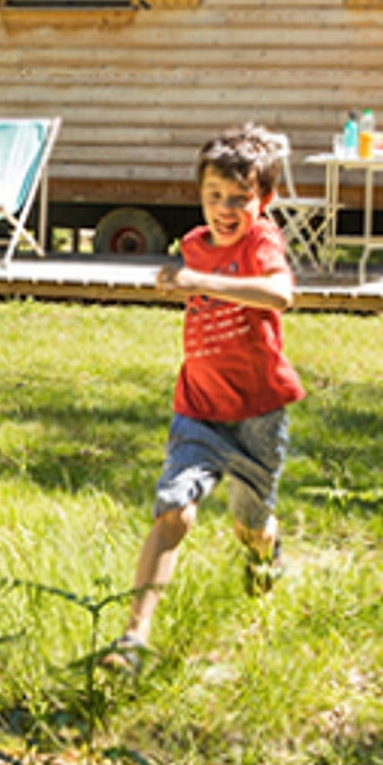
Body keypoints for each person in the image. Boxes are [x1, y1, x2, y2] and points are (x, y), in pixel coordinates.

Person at [104, 123, 304, 675]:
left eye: (239, 198)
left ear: (264, 201)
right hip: (197, 409)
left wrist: (201, 281)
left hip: (257, 417)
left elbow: (280, 294)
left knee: (251, 527)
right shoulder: (193, 245)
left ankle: (267, 557)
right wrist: (180, 280)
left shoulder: (260, 240)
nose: (224, 208)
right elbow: (194, 284)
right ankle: (133, 636)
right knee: (174, 513)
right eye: (213, 196)